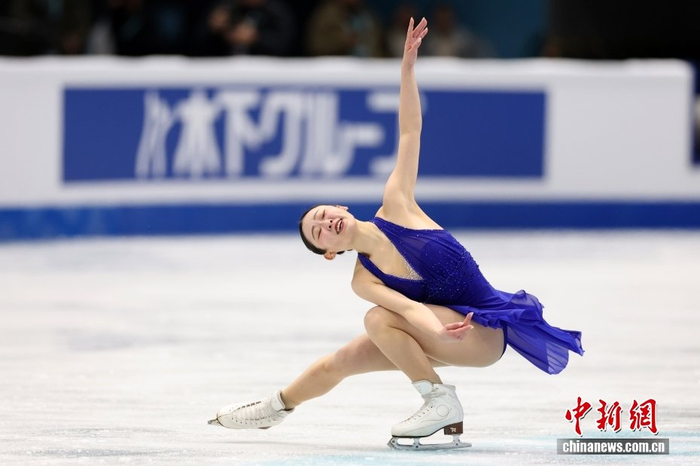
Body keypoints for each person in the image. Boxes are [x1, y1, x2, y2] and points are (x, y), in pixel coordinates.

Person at [210, 17, 584, 448]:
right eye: (319, 232)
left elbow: (409, 131)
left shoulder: (397, 203)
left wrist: (406, 68)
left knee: (376, 320)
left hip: (481, 330)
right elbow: (408, 310)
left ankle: (439, 400)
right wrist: (436, 332)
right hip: (444, 331)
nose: (326, 223)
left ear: (341, 208)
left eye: (324, 214)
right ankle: (272, 409)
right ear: (329, 252)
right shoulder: (363, 280)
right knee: (343, 359)